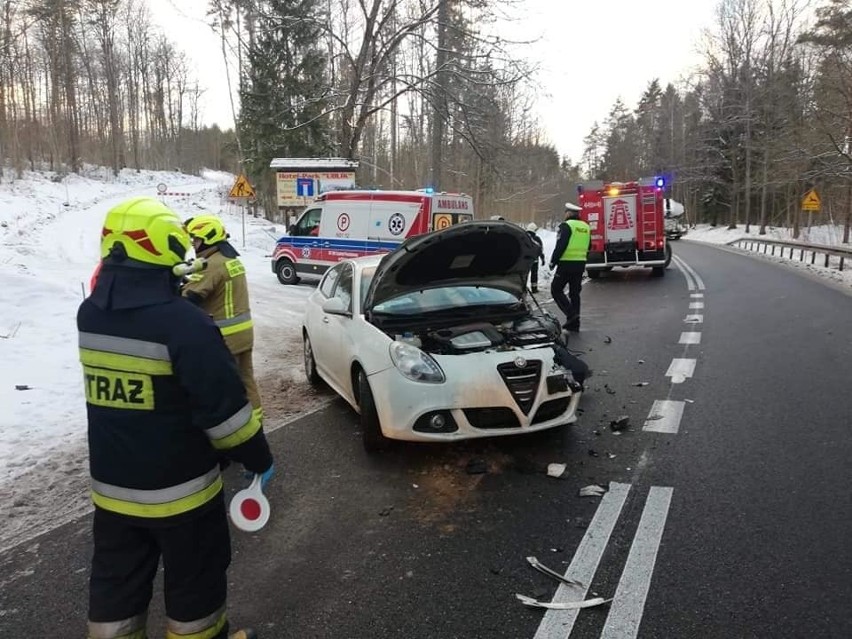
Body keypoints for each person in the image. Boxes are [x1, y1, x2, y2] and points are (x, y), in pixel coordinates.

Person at [78, 197, 273, 639]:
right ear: (165, 248)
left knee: (116, 590)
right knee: (194, 591)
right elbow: (225, 416)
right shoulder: (184, 325)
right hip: (181, 496)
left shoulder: (89, 315)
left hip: (112, 496)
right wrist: (257, 457)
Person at [182, 215, 263, 424]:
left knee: (224, 390)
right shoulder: (231, 260)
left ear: (208, 239)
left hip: (225, 338)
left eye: (196, 240)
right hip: (244, 335)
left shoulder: (212, 265)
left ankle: (235, 434)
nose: (193, 244)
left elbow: (188, 299)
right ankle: (255, 424)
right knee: (247, 381)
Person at [549, 202, 591, 332]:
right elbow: (589, 246)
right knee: (574, 293)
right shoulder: (586, 227)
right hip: (580, 264)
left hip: (566, 264)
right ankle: (575, 324)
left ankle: (571, 314)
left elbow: (560, 245)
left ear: (568, 213)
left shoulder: (566, 226)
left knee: (556, 289)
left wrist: (553, 261)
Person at [525, 222, 545, 293]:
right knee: (534, 274)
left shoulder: (524, 237)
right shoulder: (537, 239)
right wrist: (543, 259)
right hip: (534, 261)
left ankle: (523, 288)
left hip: (525, 261)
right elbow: (540, 250)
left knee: (524, 275)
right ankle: (534, 289)